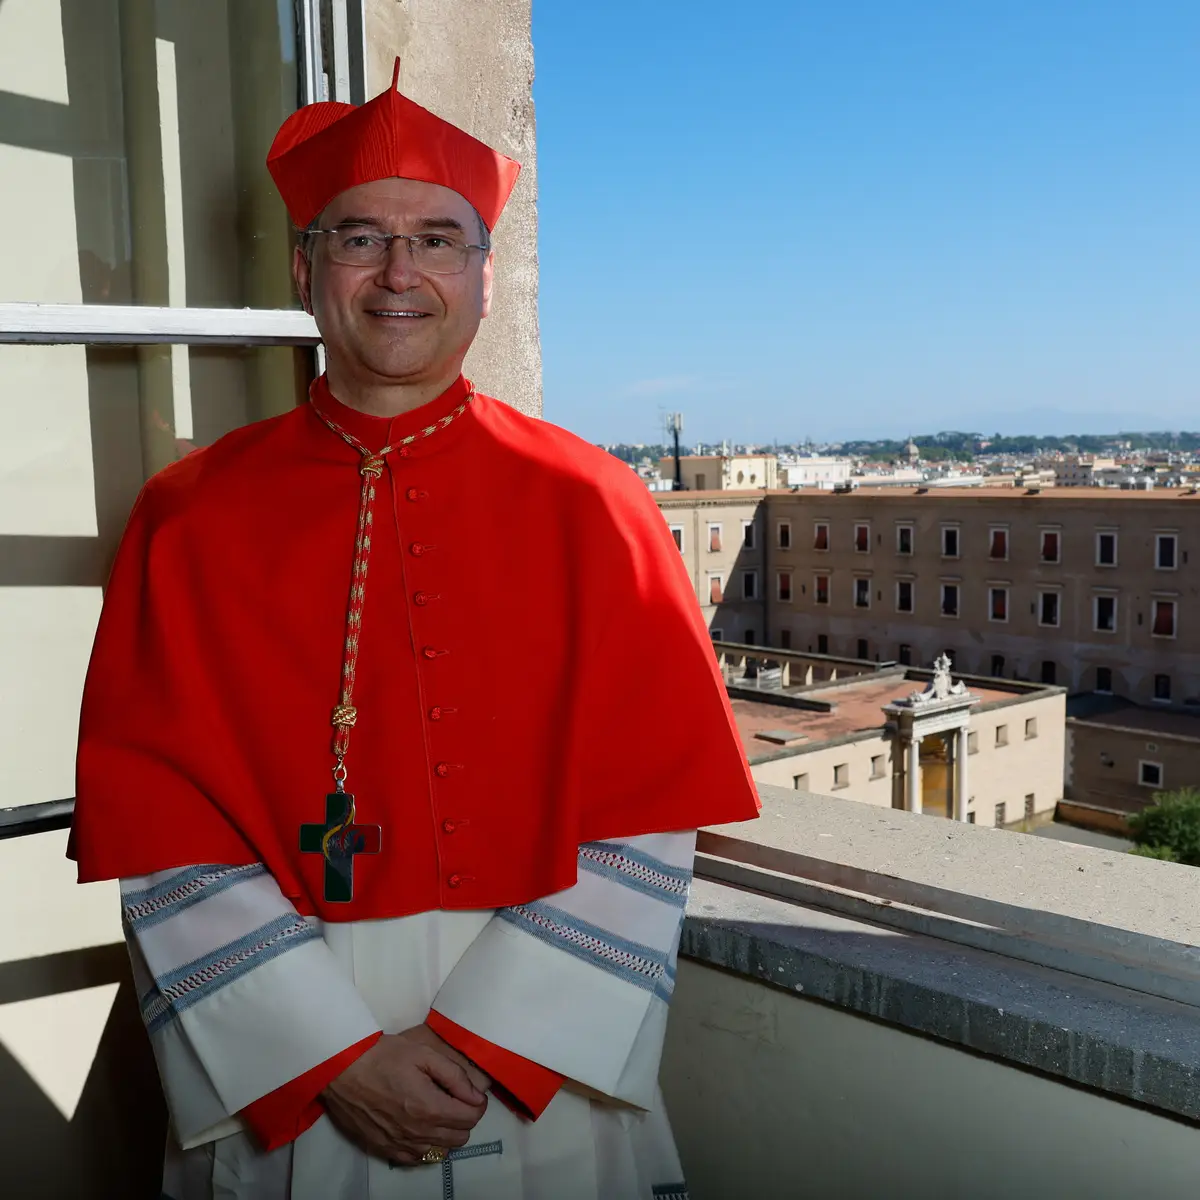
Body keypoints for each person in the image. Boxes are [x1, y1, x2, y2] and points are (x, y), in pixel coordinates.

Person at [70, 59, 759, 1199]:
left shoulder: (596, 502)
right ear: (306, 268)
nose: (400, 272)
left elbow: (656, 805)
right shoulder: (185, 515)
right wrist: (327, 1054)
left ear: (486, 279)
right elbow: (159, 823)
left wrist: (496, 1038)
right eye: (359, 239)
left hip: (534, 1039)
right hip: (286, 1042)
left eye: (439, 238)